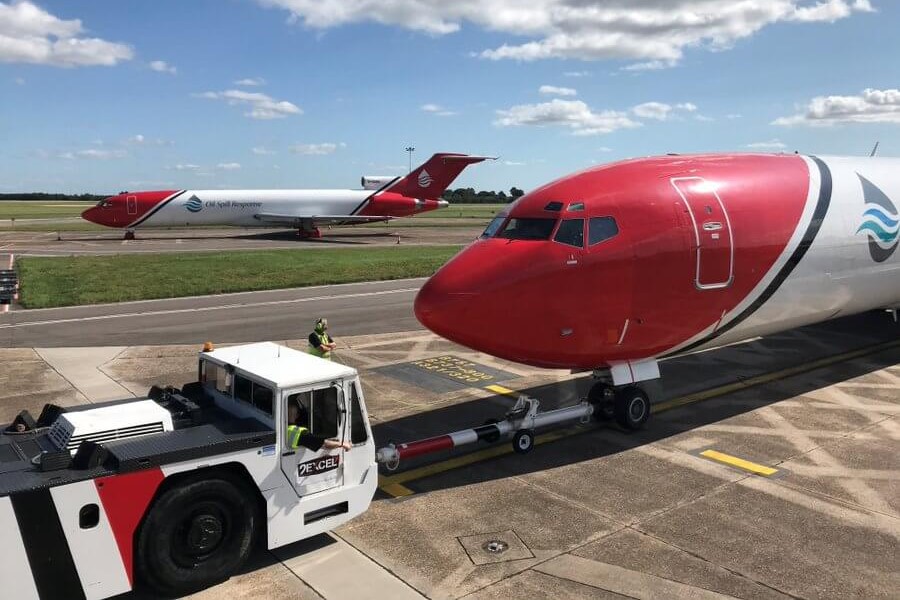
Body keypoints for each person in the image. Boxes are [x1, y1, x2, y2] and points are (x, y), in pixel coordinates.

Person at [286, 403, 351, 451]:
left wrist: (331, 441)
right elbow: (324, 444)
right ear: (297, 415)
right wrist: (342, 444)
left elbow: (315, 440)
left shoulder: (285, 429)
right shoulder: (296, 432)